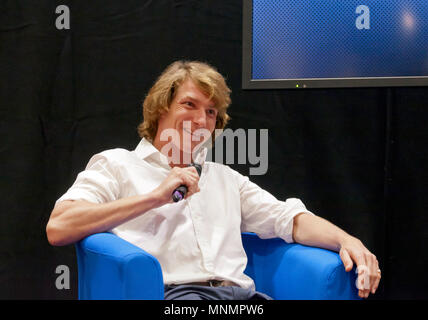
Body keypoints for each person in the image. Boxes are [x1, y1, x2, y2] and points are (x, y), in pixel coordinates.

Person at [46, 60, 381, 300]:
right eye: (189, 105)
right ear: (161, 108)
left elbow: (287, 219)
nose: (200, 119)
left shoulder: (225, 179)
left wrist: (346, 240)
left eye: (210, 112)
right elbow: (59, 227)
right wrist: (155, 197)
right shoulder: (117, 164)